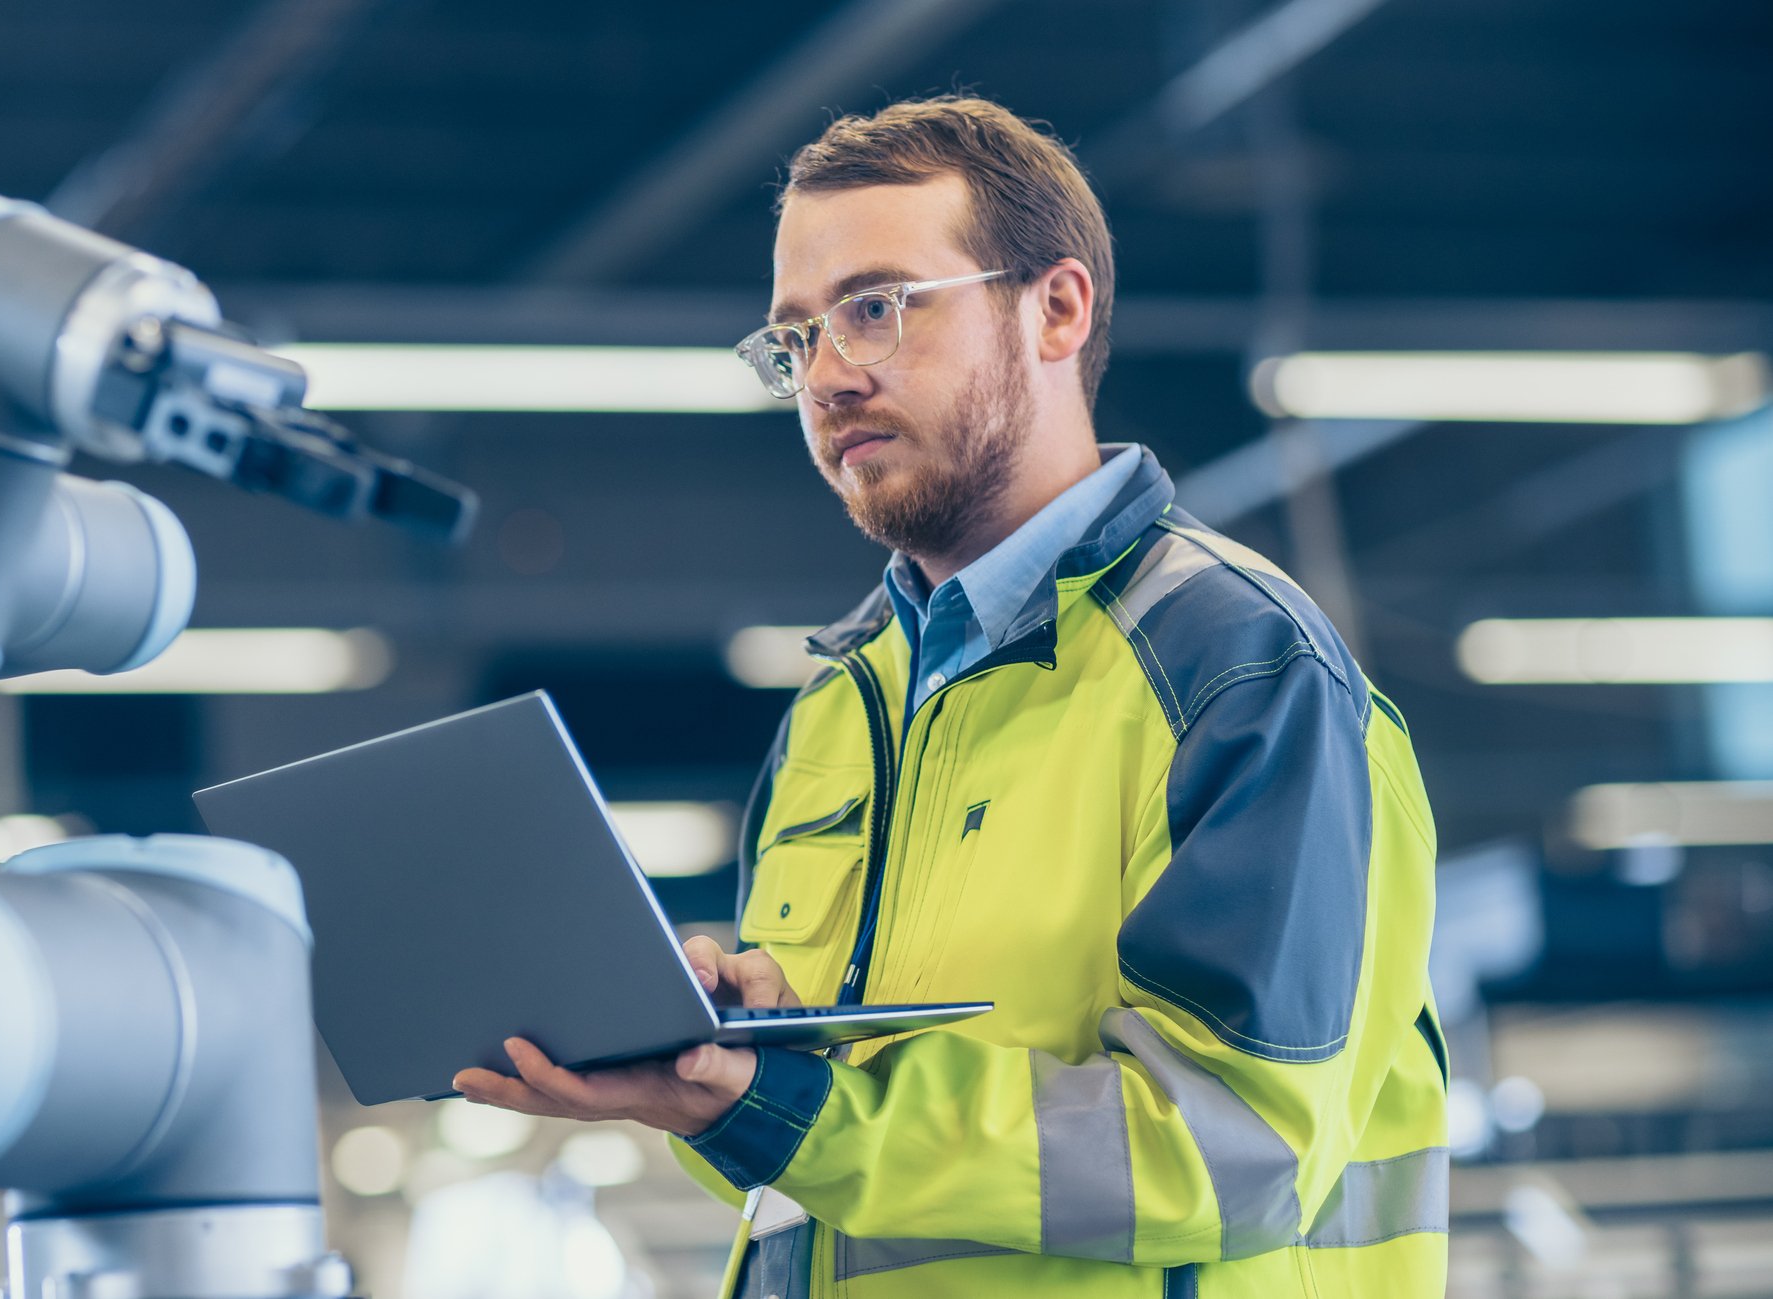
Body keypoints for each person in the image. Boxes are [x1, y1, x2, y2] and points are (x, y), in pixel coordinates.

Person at [453, 95, 1446, 1299]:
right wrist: (725, 1073)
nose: (823, 377)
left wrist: (792, 1107)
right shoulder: (838, 710)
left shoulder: (1236, 668)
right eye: (795, 338)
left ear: (1055, 308)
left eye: (874, 310)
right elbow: (808, 1177)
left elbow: (1231, 1150)